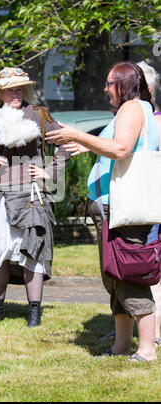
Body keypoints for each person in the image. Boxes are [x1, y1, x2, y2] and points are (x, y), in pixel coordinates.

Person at [46, 61, 158, 362]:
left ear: (123, 84)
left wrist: (77, 136)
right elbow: (119, 146)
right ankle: (120, 347)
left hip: (123, 208)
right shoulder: (135, 110)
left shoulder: (133, 109)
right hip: (112, 208)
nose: (105, 88)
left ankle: (146, 349)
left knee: (130, 276)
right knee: (115, 277)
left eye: (109, 83)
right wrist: (90, 146)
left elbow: (121, 149)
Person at [0, 67, 69, 327]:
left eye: (19, 88)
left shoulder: (38, 115)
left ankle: (34, 312)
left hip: (31, 194)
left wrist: (48, 170)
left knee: (34, 251)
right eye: (10, 89)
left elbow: (67, 143)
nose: (16, 93)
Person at [138, 61, 161, 347]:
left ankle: (153, 332)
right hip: (140, 202)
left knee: (152, 269)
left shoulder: (156, 121)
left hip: (151, 202)